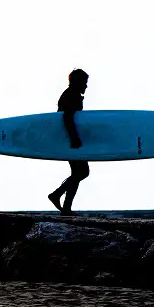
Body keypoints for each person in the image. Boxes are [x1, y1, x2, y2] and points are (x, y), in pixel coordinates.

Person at [47, 68, 90, 215]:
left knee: (79, 171)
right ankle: (57, 195)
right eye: (84, 82)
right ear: (77, 82)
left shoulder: (72, 94)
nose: (86, 86)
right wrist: (74, 138)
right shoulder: (71, 95)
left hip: (67, 138)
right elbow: (67, 118)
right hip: (69, 139)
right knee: (82, 171)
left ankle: (66, 208)